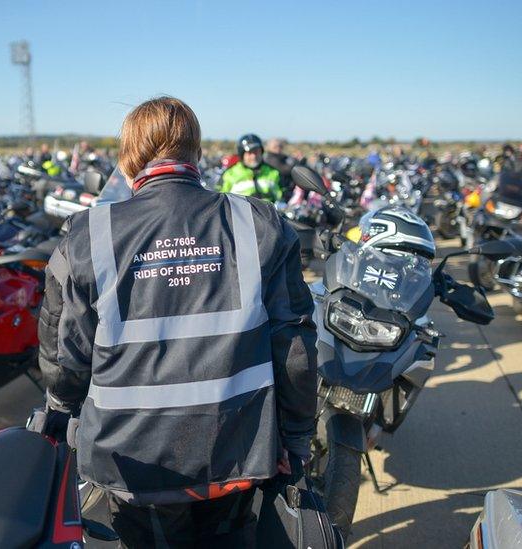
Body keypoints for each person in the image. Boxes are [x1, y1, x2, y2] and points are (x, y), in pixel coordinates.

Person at [36, 97, 317, 547]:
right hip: (237, 452)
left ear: (129, 159)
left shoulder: (89, 233)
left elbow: (64, 358)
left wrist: (60, 411)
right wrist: (298, 434)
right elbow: (295, 349)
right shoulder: (258, 222)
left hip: (133, 462)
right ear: (196, 154)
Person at [218, 134, 283, 201]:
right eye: (249, 153)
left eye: (256, 152)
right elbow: (220, 199)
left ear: (261, 152)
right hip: (239, 210)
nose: (253, 156)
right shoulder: (229, 174)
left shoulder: (274, 172)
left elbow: (282, 198)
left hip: (268, 210)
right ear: (242, 155)